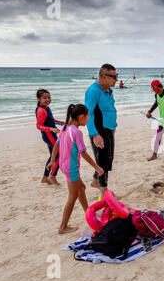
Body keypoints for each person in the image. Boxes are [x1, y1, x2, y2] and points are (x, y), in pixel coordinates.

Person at [47, 104, 104, 234]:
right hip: (71, 168)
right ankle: (63, 227)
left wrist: (52, 161)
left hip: (64, 165)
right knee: (72, 196)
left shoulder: (65, 128)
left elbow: (56, 145)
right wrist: (97, 167)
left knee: (81, 188)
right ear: (81, 117)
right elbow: (83, 153)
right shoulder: (76, 132)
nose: (88, 120)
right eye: (88, 117)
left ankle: (88, 214)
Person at [84, 64, 118, 197]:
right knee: (103, 161)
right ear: (104, 76)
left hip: (109, 129)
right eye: (114, 77)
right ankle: (104, 193)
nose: (116, 79)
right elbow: (89, 114)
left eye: (117, 76)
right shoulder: (93, 91)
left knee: (107, 159)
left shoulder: (108, 89)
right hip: (99, 131)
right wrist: (94, 134)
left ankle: (95, 181)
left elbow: (109, 108)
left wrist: (114, 125)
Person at [35, 89, 63, 186]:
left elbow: (51, 120)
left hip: (51, 134)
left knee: (53, 155)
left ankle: (45, 178)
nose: (48, 100)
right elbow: (38, 125)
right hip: (48, 135)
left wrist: (61, 123)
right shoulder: (41, 110)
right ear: (39, 99)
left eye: (49, 97)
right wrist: (50, 129)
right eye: (44, 98)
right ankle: (52, 176)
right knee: (59, 154)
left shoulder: (47, 108)